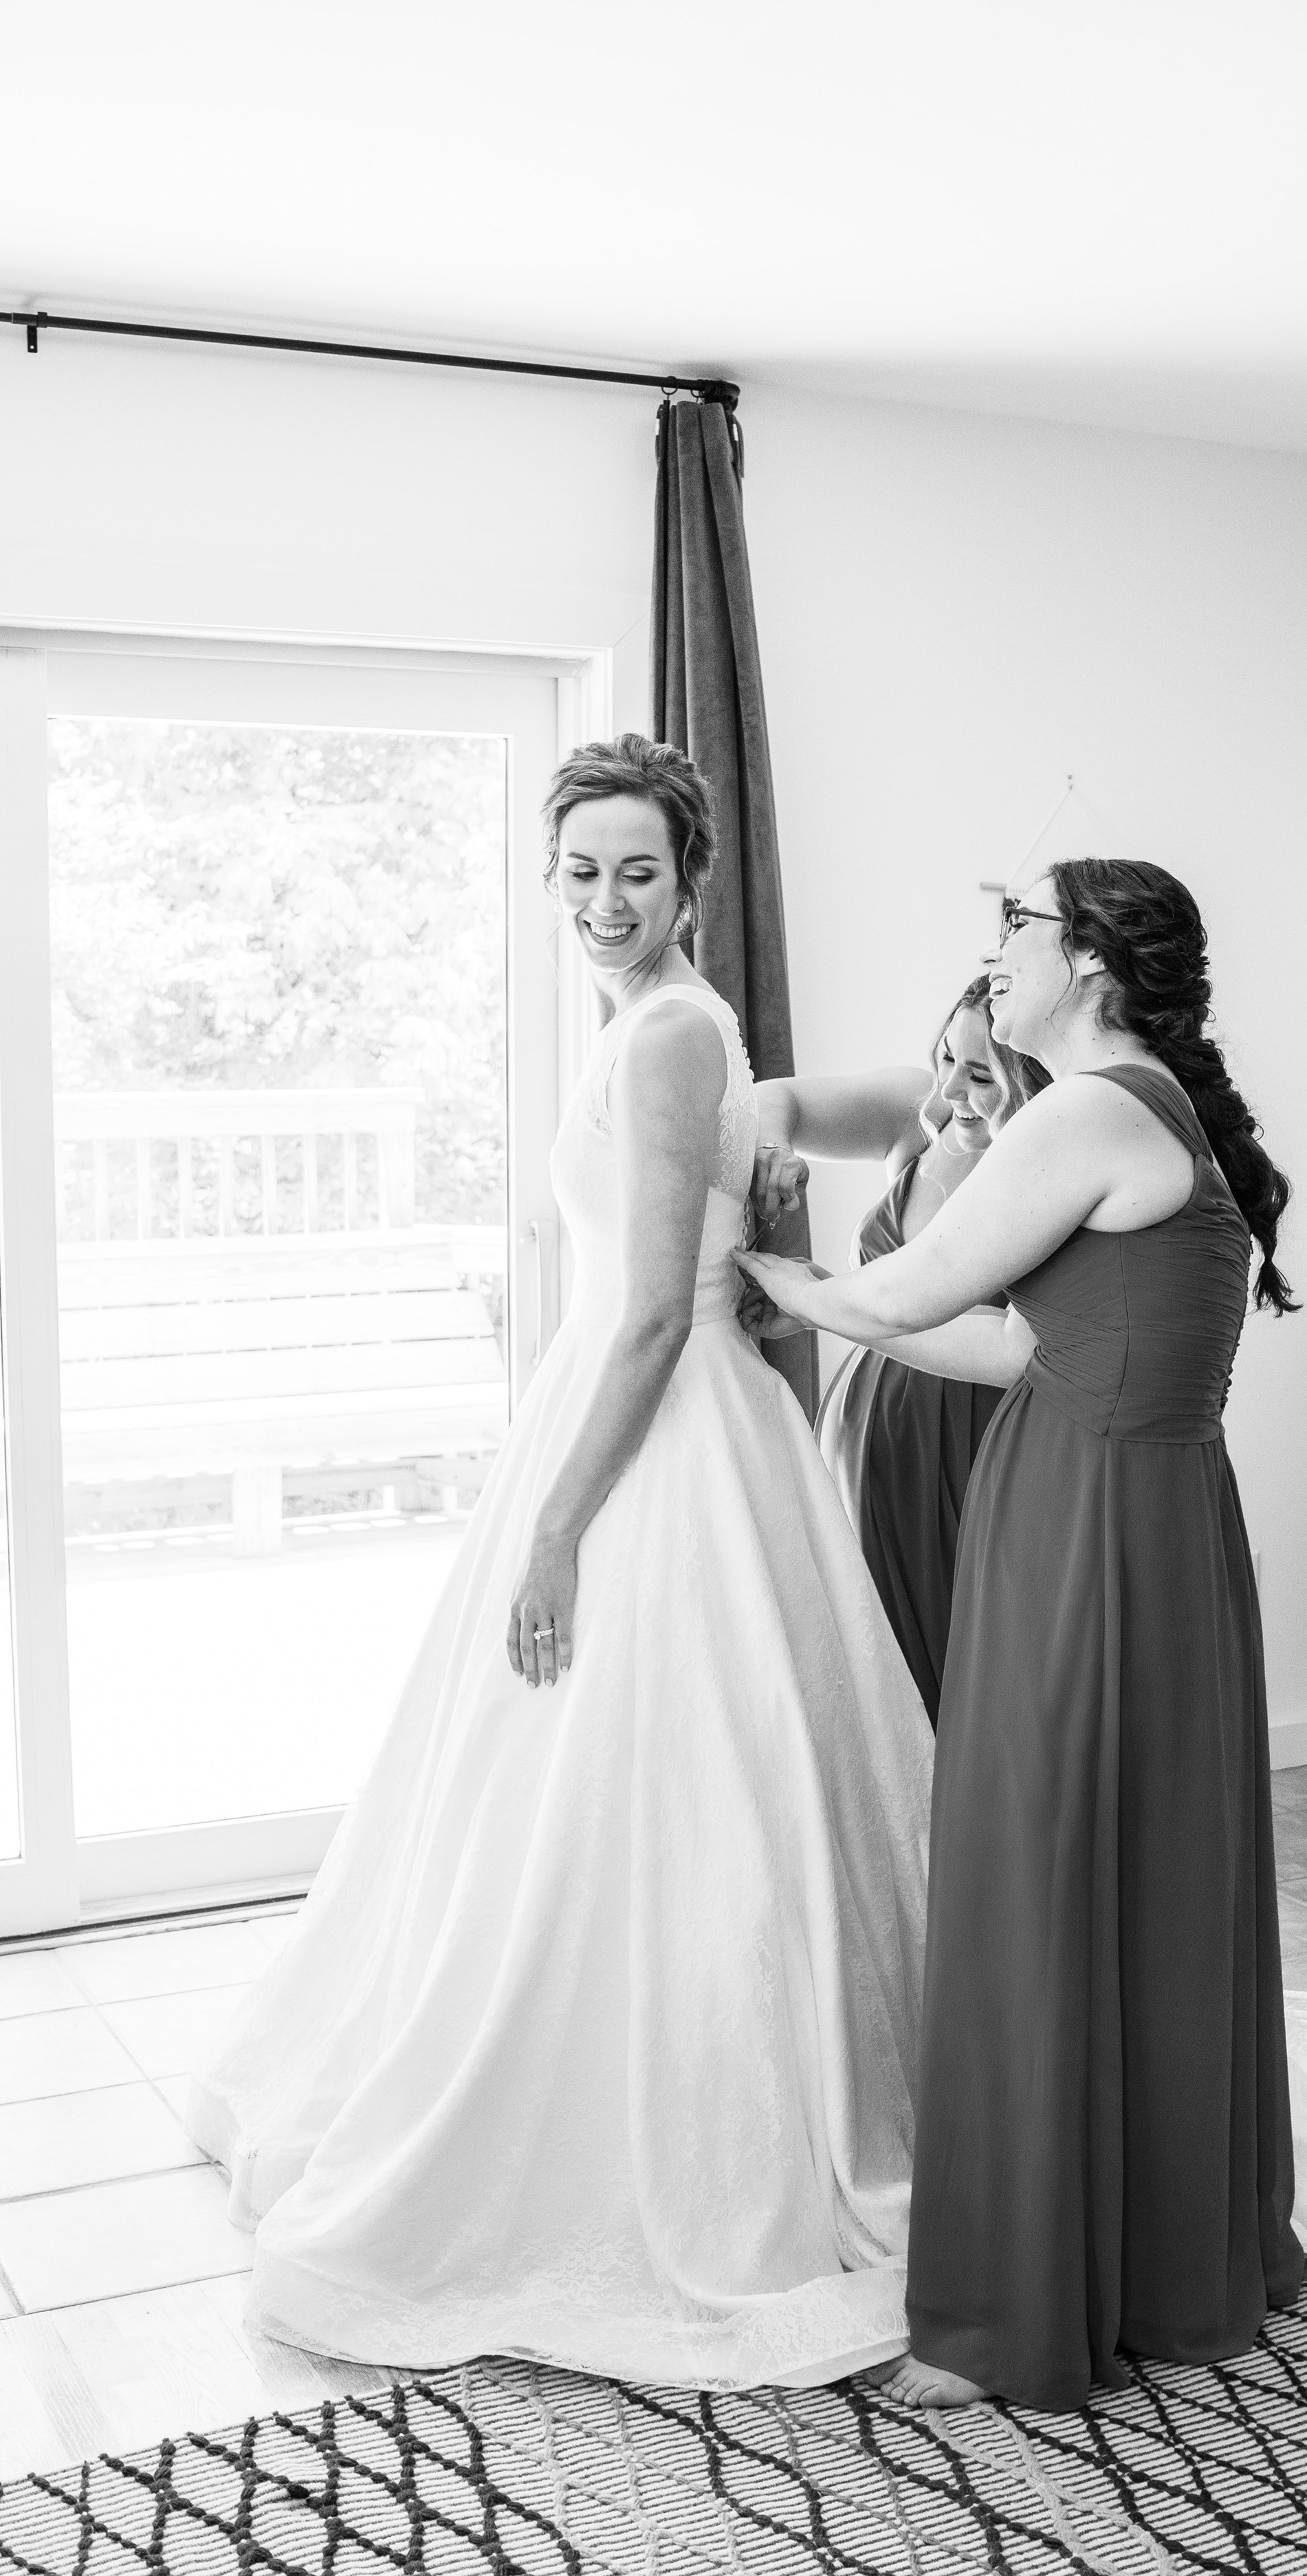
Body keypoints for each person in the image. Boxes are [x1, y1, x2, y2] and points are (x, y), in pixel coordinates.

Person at [738, 857, 1307, 2411]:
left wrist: (781, 1285)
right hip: (1148, 1525)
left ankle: (1007, 2316)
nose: (997, 953)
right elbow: (1006, 1342)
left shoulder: (1089, 1111)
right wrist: (824, 1304)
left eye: (1018, 928)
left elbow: (918, 1290)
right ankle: (1142, 2256)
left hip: (1088, 1540)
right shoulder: (1142, 1107)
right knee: (1123, 1890)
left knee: (1034, 1884)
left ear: (1092, 960)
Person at [187, 735, 934, 2389]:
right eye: (580, 871)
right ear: (551, 881)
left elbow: (662, 1311)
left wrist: (551, 1527)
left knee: (671, 1795)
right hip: (630, 1419)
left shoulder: (673, 1031)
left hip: (661, 1446)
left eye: (638, 873)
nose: (606, 901)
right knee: (587, 1803)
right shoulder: (661, 1024)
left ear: (692, 884)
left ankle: (681, 2136)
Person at [751, 977, 1043, 1723]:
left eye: (981, 1075)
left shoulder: (1046, 1163)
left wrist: (825, 1302)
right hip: (865, 1433)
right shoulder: (918, 1123)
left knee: (972, 1669)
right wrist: (772, 1154)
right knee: (869, 1661)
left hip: (979, 1443)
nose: (949, 1089)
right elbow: (772, 1098)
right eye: (946, 1056)